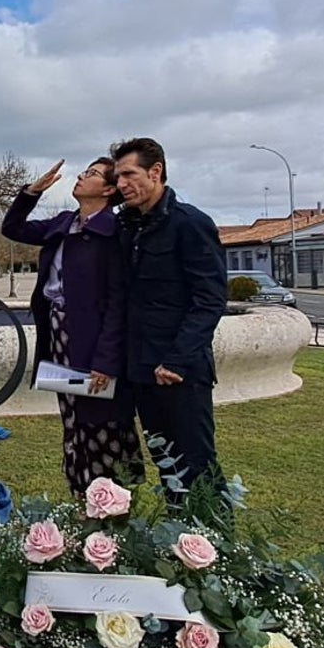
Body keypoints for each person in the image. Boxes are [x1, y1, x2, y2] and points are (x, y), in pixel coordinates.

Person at [2, 157, 144, 498]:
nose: (81, 177)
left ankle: (110, 505)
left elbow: (116, 304)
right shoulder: (65, 223)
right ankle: (81, 497)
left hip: (93, 344)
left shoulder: (113, 233)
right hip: (58, 336)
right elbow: (13, 229)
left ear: (109, 190)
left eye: (91, 174)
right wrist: (30, 193)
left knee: (102, 422)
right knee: (74, 421)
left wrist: (106, 362)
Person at [111, 137, 227, 500]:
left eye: (129, 174)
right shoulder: (129, 227)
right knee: (167, 466)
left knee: (196, 467)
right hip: (141, 371)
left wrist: (176, 360)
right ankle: (181, 548)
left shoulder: (190, 224)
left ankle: (215, 549)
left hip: (179, 373)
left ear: (156, 171)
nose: (121, 184)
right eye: (117, 177)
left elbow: (209, 300)